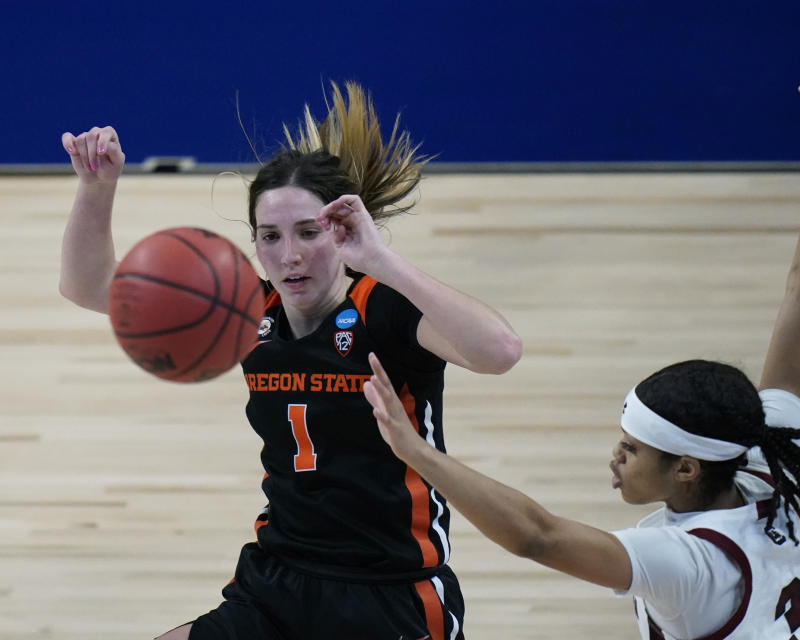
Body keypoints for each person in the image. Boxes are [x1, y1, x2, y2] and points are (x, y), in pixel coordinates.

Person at [364, 28, 800, 639]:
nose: (616, 457)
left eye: (634, 448)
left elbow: (538, 537)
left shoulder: (689, 564)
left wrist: (418, 453)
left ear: (688, 469)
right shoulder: (763, 455)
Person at [59, 83, 522, 639]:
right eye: (271, 236)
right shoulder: (247, 308)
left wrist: (379, 259)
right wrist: (96, 186)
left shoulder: (385, 311)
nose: (290, 254)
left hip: (388, 591)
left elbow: (500, 352)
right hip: (277, 580)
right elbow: (87, 287)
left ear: (345, 230)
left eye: (309, 232)